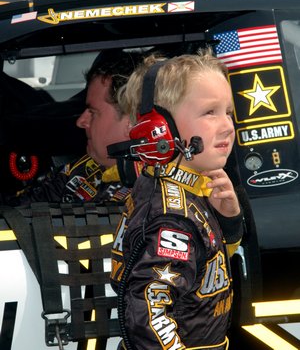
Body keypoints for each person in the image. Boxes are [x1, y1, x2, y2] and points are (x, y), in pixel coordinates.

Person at [110, 49, 244, 350]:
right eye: (209, 112)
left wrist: (229, 221)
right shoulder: (173, 215)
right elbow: (147, 310)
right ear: (160, 127)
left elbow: (207, 267)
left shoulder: (188, 191)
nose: (226, 125)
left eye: (228, 112)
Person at [6, 48, 144, 205]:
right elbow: (22, 207)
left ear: (131, 124)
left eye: (93, 112)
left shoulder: (152, 193)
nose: (81, 121)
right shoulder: (84, 169)